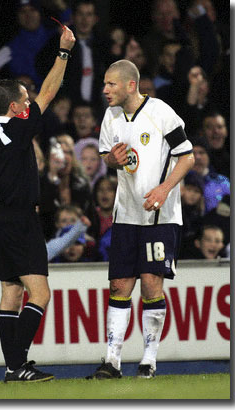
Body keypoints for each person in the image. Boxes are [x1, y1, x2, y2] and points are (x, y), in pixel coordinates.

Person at [0, 25, 75, 382]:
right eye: (25, 100)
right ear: (15, 108)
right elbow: (49, 91)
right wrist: (63, 52)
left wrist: (5, 197)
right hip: (20, 222)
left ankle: (14, 367)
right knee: (40, 293)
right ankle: (18, 365)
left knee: (11, 293)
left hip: (1, 222)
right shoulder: (16, 129)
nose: (31, 102)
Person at [86, 59, 194, 380]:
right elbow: (108, 156)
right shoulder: (111, 116)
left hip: (159, 215)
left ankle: (148, 361)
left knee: (150, 284)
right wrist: (110, 160)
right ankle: (112, 361)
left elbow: (187, 156)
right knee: (119, 285)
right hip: (126, 214)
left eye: (111, 84)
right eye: (104, 84)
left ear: (130, 85)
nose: (105, 90)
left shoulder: (161, 112)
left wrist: (164, 188)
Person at [191, 138, 230, 213]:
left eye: (202, 152)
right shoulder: (178, 182)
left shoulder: (222, 181)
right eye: (192, 153)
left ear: (208, 156)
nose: (197, 157)